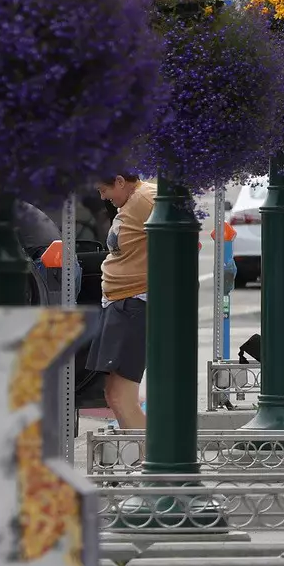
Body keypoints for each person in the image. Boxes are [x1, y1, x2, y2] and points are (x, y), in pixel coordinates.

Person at [93, 172, 156, 431]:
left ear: (120, 181)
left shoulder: (147, 197)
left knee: (120, 395)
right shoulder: (134, 201)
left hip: (134, 302)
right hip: (122, 302)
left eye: (103, 189)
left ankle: (150, 460)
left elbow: (182, 236)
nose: (102, 196)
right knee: (114, 394)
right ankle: (145, 458)